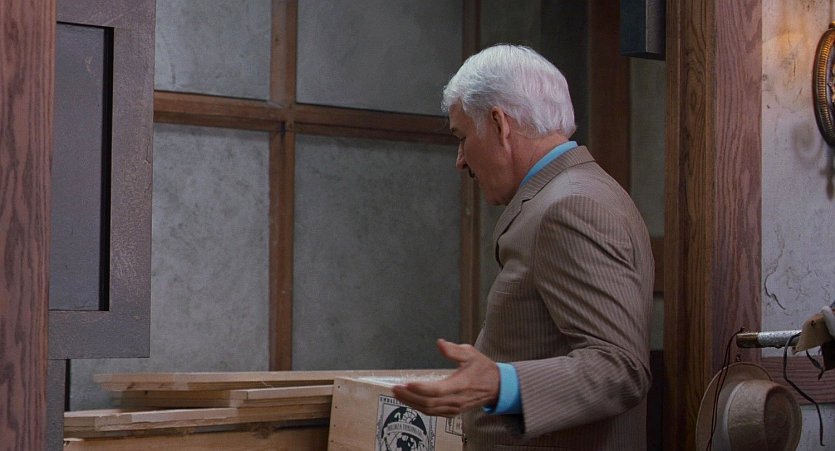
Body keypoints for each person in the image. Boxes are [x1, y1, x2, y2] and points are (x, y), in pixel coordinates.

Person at [392, 44, 654, 450]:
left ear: (499, 124)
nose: (460, 160)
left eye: (462, 137)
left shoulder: (570, 206)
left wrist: (500, 383)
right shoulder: (572, 193)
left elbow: (620, 368)